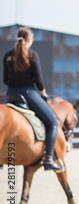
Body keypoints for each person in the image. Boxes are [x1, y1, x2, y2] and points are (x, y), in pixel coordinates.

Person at [2, 26, 63, 172]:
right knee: (53, 123)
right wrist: (43, 94)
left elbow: (5, 79)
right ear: (29, 40)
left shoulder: (7, 55)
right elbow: (39, 81)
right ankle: (48, 159)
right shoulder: (33, 55)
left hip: (10, 94)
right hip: (29, 93)